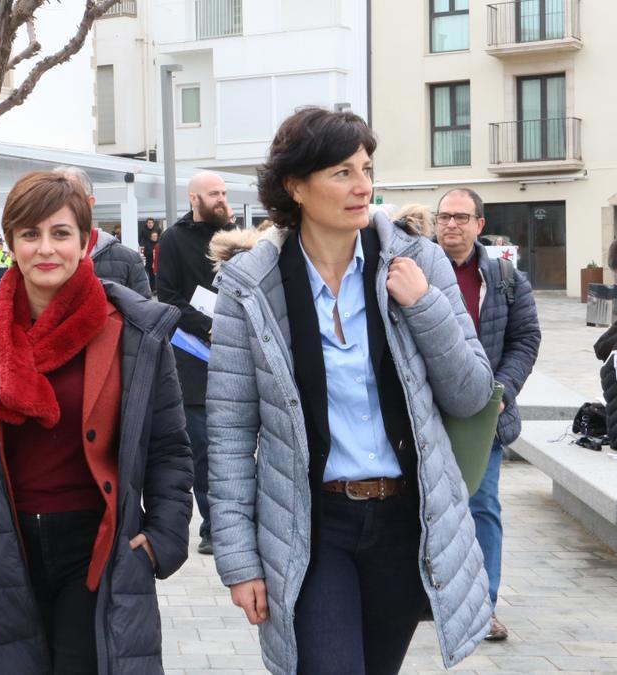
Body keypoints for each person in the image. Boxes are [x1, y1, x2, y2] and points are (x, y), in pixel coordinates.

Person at [207, 107, 495, 674]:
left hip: (406, 521)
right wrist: (239, 559)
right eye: (342, 172)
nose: (363, 185)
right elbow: (229, 431)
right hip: (312, 525)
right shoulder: (252, 288)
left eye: (366, 168)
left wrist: (425, 306)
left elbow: (471, 394)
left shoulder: (419, 263)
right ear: (295, 186)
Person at [0, 171, 193, 673]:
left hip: (98, 547)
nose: (45, 249)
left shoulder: (135, 332)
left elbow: (169, 449)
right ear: (10, 244)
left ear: (86, 241)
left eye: (60, 233)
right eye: (30, 235)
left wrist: (162, 541)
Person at [436, 187, 541, 641]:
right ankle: (428, 600)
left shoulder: (505, 279)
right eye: (444, 217)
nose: (451, 225)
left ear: (480, 225)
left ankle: (483, 606)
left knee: (481, 507)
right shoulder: (412, 271)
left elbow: (526, 339)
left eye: (461, 217)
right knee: (424, 510)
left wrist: (503, 391)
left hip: (485, 415)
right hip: (425, 413)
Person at [156, 170, 236, 555]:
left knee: (236, 447)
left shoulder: (236, 238)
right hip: (193, 359)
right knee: (203, 448)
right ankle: (212, 527)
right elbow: (167, 297)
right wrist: (208, 327)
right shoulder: (173, 240)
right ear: (194, 199)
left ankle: (238, 521)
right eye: (213, 193)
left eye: (223, 192)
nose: (221, 198)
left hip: (236, 356)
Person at [53, 166, 151, 298]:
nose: (59, 207)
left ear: (89, 203)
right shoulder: (39, 256)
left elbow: (143, 314)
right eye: (52, 200)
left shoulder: (127, 260)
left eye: (70, 199)